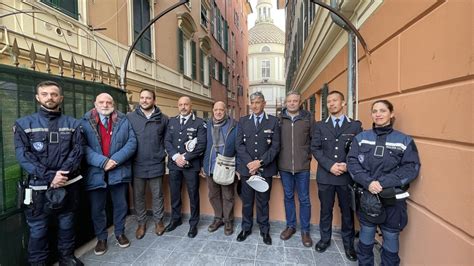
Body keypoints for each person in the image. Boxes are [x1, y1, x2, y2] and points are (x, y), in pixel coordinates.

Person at [14, 80, 84, 266]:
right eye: (45, 94)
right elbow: (23, 155)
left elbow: (77, 152)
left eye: (54, 94)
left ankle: (66, 258)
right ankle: (38, 263)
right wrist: (50, 176)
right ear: (38, 97)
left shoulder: (73, 124)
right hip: (38, 189)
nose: (49, 98)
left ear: (60, 98)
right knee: (38, 230)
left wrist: (61, 174)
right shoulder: (23, 124)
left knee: (67, 225)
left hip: (67, 185)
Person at [347, 100, 420, 265]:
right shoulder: (361, 138)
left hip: (393, 199)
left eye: (382, 111)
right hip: (368, 197)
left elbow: (411, 168)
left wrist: (382, 182)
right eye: (374, 111)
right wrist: (368, 182)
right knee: (366, 235)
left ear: (391, 114)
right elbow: (352, 162)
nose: (378, 114)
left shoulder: (404, 140)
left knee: (391, 236)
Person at [81, 93, 137, 255]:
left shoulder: (124, 120)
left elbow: (132, 143)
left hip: (118, 170)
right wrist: (103, 162)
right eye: (101, 102)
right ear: (95, 103)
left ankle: (119, 233)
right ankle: (101, 238)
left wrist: (115, 160)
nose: (105, 105)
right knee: (97, 209)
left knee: (120, 205)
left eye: (108, 102)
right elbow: (82, 147)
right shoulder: (84, 122)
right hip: (95, 172)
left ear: (113, 104)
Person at [311, 90, 362, 261]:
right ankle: (325, 239)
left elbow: (358, 150)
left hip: (346, 177)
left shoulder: (355, 126)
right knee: (326, 210)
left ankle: (348, 245)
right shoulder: (319, 126)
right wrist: (330, 165)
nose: (331, 104)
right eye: (329, 101)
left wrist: (347, 165)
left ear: (343, 103)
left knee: (347, 212)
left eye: (335, 100)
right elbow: (316, 149)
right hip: (326, 176)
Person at [235, 91, 280, 245]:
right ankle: (246, 228)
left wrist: (259, 163)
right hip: (247, 169)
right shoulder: (243, 121)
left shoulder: (273, 121)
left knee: (263, 201)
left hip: (265, 169)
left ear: (264, 104)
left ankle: (264, 230)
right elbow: (239, 145)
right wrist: (250, 163)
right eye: (252, 102)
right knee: (247, 201)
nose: (254, 105)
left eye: (258, 102)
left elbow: (275, 147)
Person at [127, 89, 168, 239]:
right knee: (138, 196)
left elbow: (166, 140)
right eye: (142, 98)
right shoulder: (130, 117)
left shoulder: (163, 119)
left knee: (157, 195)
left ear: (154, 101)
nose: (144, 100)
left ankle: (159, 222)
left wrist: (161, 154)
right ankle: (141, 223)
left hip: (156, 163)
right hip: (137, 164)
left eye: (148, 98)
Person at [164, 96, 206, 238]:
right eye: (180, 104)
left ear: (191, 105)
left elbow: (201, 144)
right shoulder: (171, 121)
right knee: (175, 193)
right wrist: (176, 157)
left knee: (193, 195)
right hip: (175, 165)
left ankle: (193, 223)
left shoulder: (200, 123)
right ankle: (175, 219)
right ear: (178, 105)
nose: (183, 107)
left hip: (191, 165)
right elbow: (167, 142)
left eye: (186, 104)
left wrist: (185, 158)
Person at [278, 91, 314, 247]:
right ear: (286, 102)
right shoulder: (279, 120)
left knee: (304, 199)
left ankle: (305, 231)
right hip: (284, 166)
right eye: (289, 101)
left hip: (302, 167)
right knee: (288, 197)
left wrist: (307, 156)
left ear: (300, 102)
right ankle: (291, 226)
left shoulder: (308, 118)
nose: (292, 103)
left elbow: (314, 140)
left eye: (295, 101)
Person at [202, 101, 237, 236]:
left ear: (225, 110)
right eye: (215, 110)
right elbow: (202, 146)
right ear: (213, 111)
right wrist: (203, 165)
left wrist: (238, 167)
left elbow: (239, 147)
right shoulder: (207, 125)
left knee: (228, 196)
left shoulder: (234, 125)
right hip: (210, 166)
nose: (218, 112)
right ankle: (218, 218)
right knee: (213, 195)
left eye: (221, 110)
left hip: (227, 167)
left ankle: (228, 221)